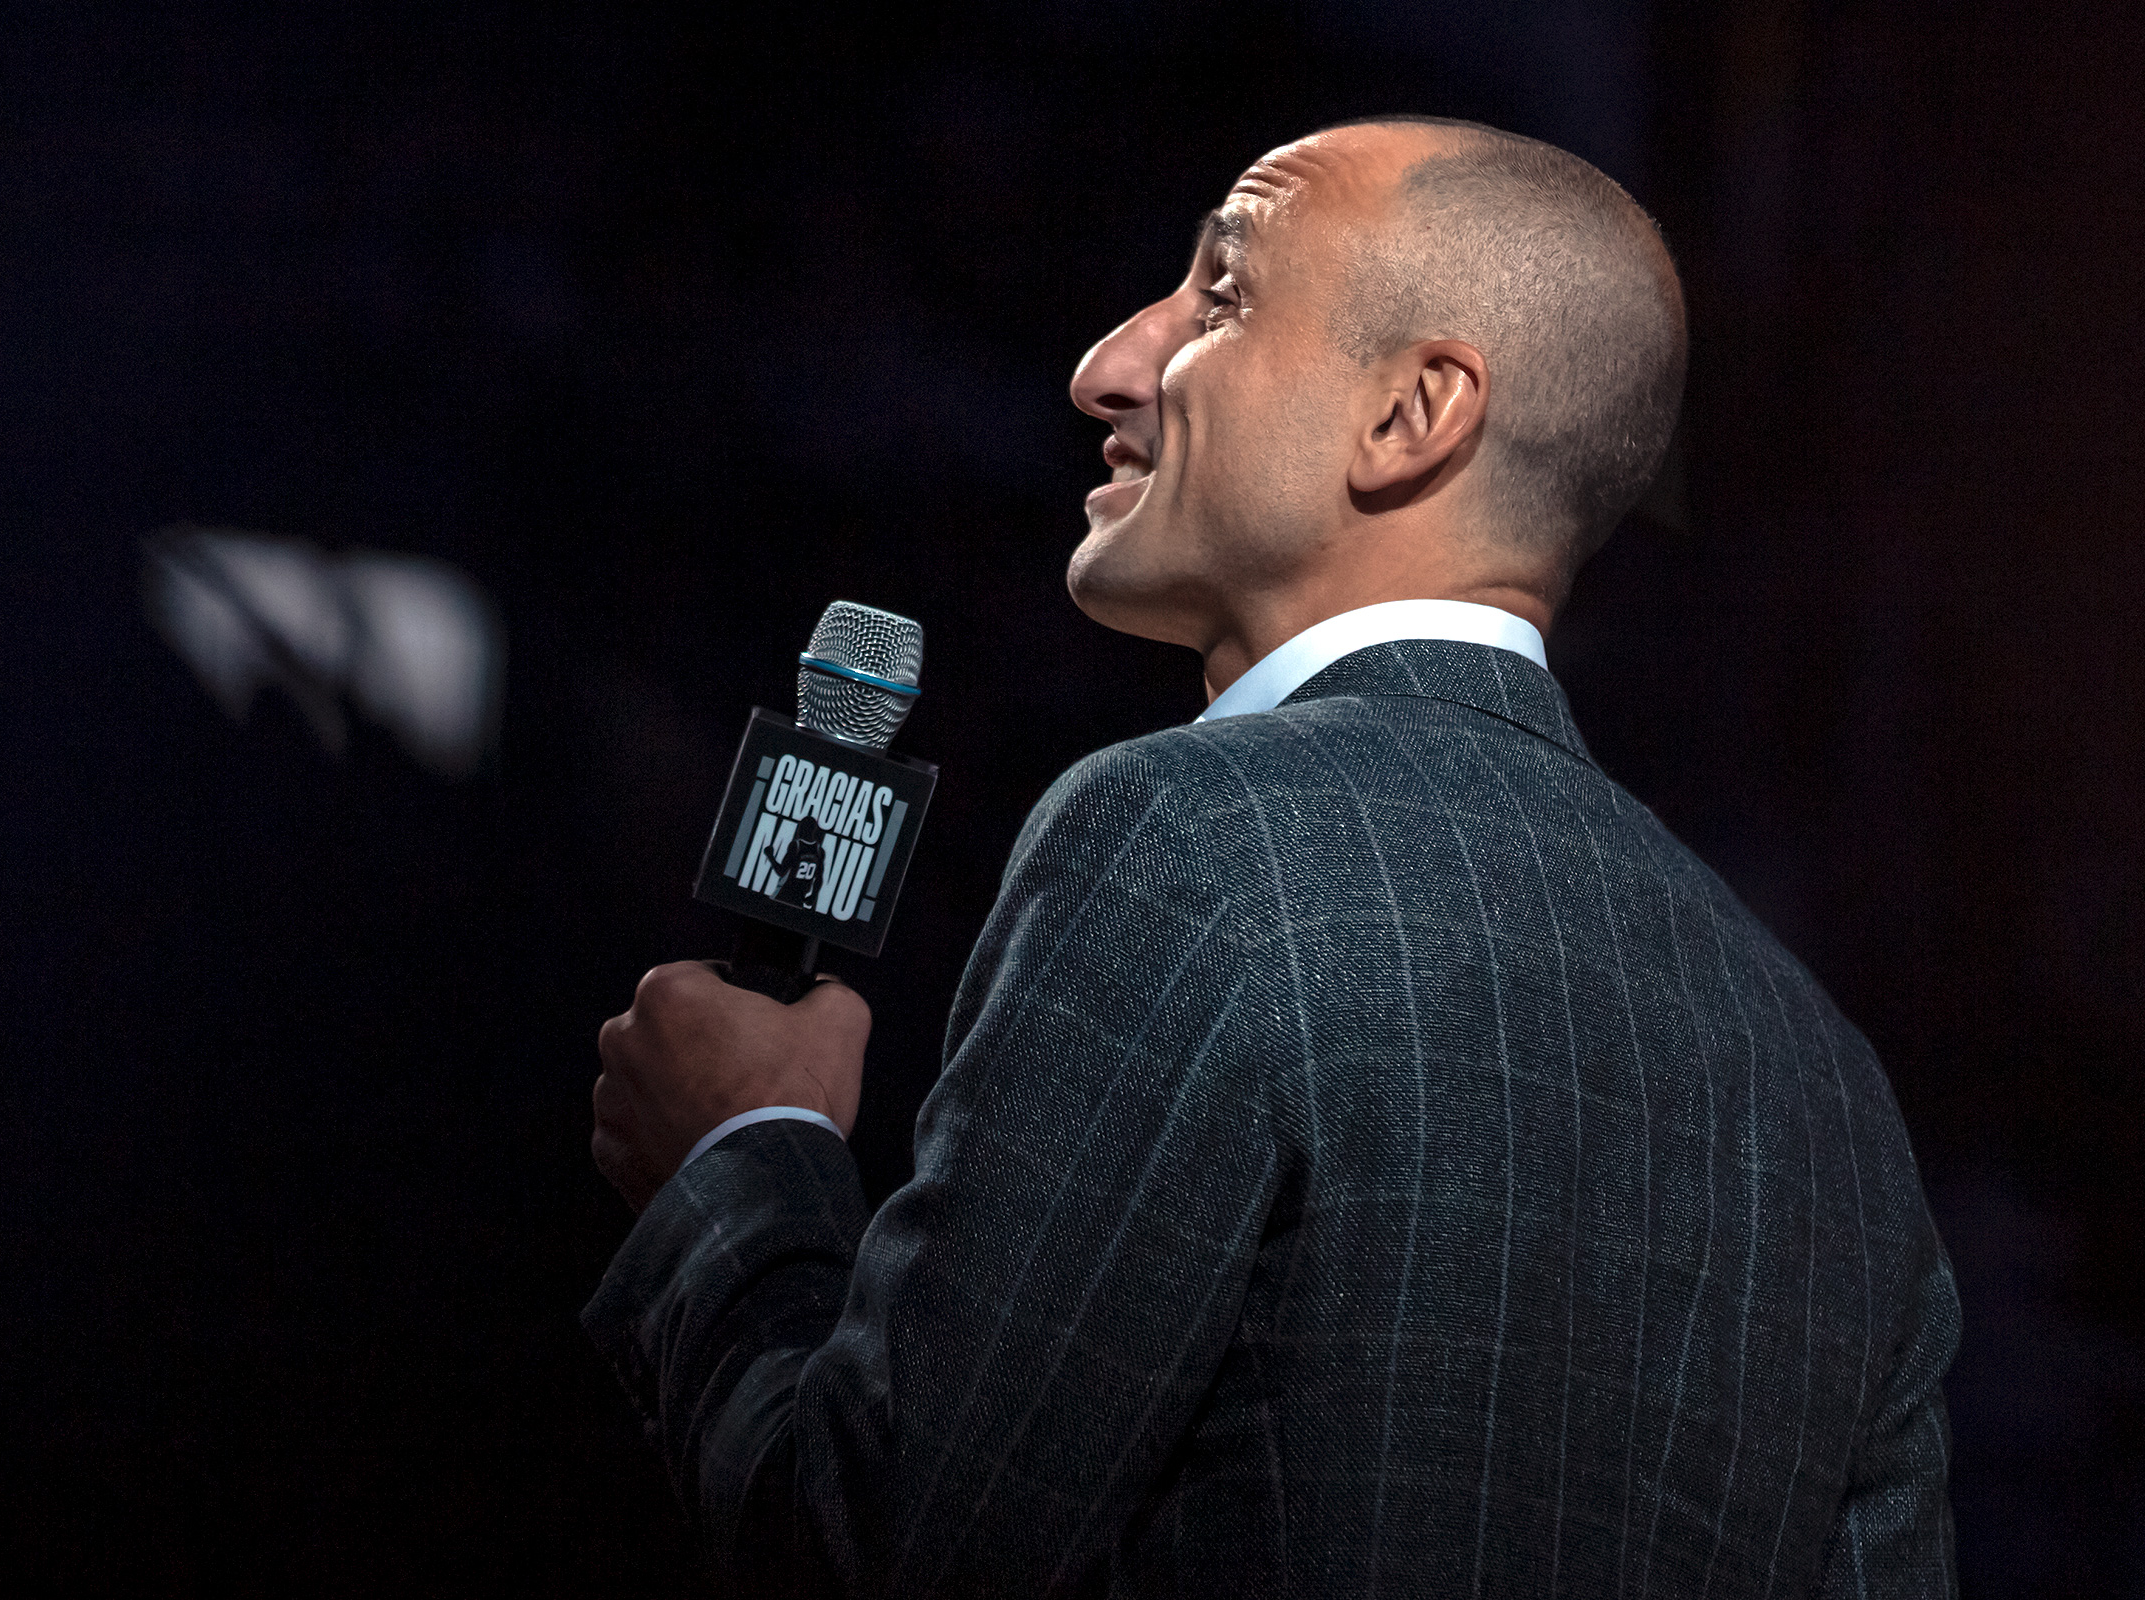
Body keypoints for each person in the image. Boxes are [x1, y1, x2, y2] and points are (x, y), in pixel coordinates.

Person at [586, 117, 1959, 1597]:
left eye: (1222, 296)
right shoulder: (1835, 1103)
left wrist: (744, 1157)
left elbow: (883, 1549)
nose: (1106, 367)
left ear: (1413, 414)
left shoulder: (1187, 839)